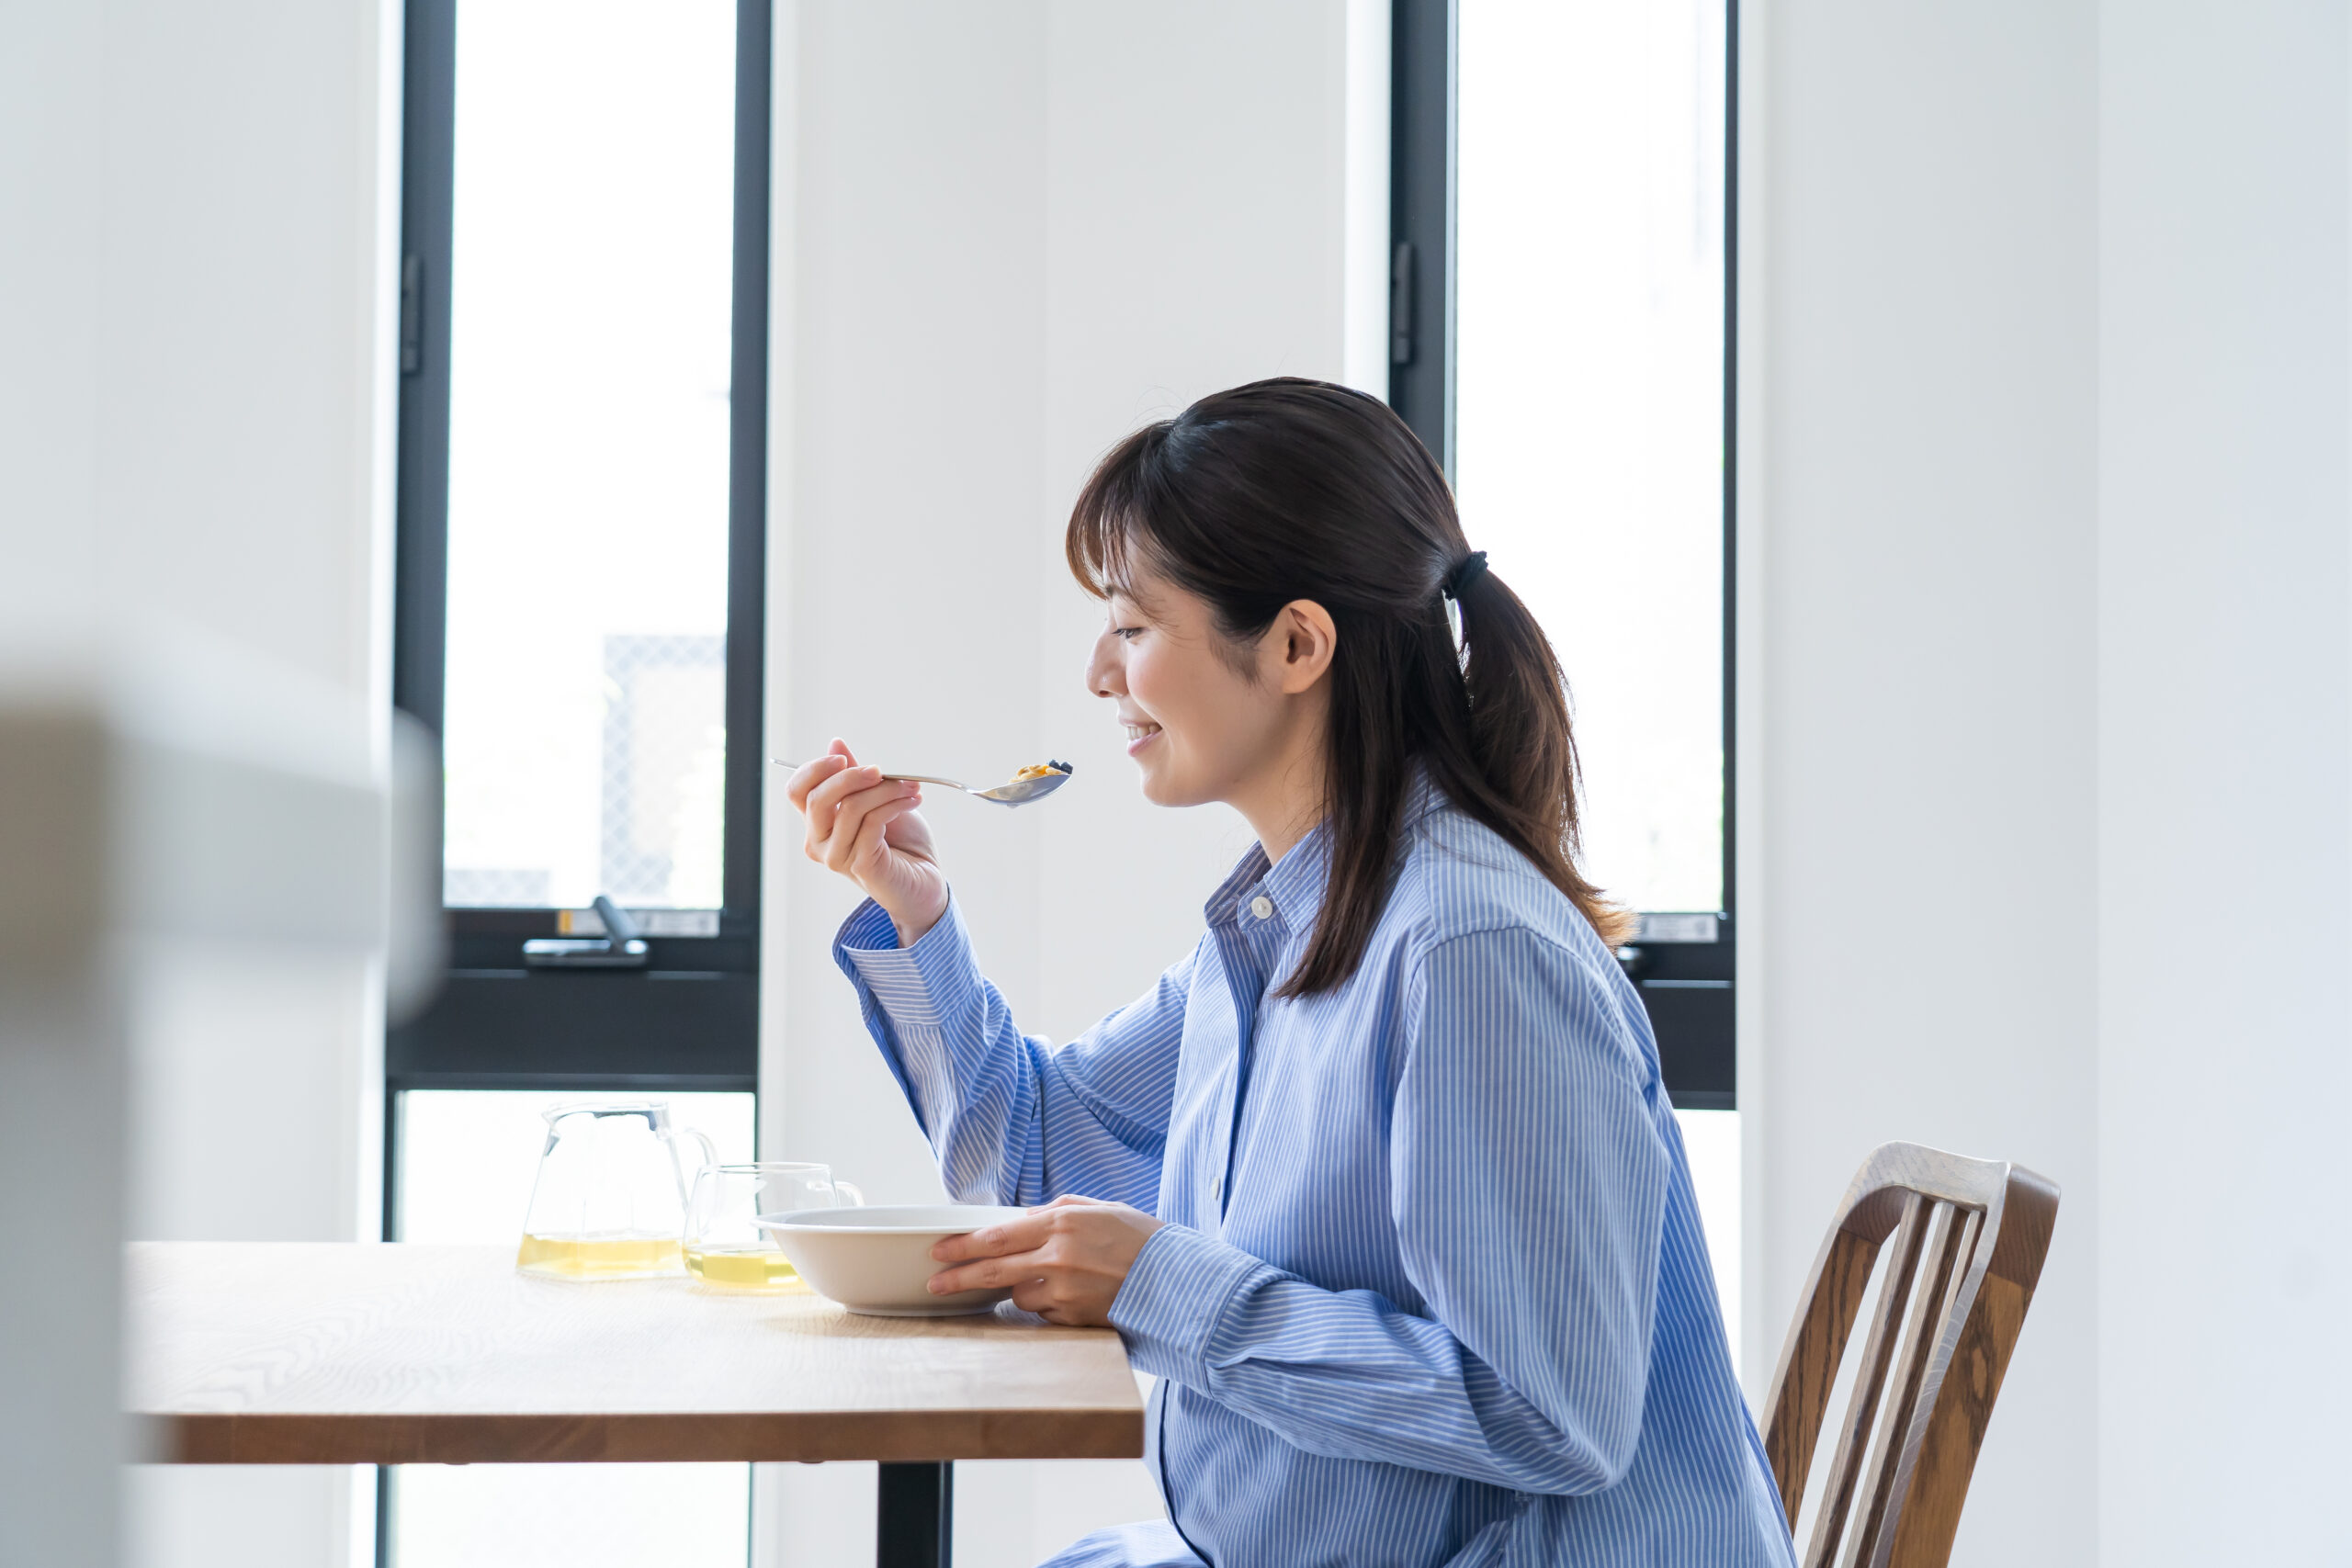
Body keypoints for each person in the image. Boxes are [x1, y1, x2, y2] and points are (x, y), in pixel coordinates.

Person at [785, 378, 1794, 1568]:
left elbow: (1550, 1413)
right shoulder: (1282, 928)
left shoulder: (1469, 952)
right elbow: (1041, 1157)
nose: (1102, 676)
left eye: (1133, 626)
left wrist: (1165, 1285)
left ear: (1297, 644)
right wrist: (917, 917)